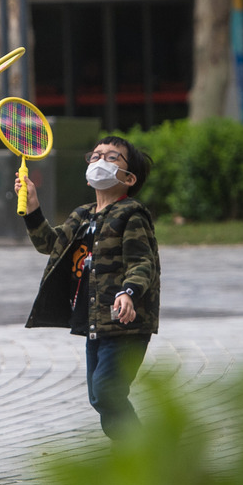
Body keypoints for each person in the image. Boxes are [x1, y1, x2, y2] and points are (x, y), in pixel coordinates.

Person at [14, 135, 160, 441]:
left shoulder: (131, 214)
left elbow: (142, 262)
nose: (99, 162)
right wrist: (33, 208)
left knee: (108, 392)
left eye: (111, 158)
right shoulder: (82, 215)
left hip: (125, 323)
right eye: (95, 156)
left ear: (129, 178)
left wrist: (129, 293)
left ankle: (141, 456)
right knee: (100, 397)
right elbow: (51, 246)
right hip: (96, 322)